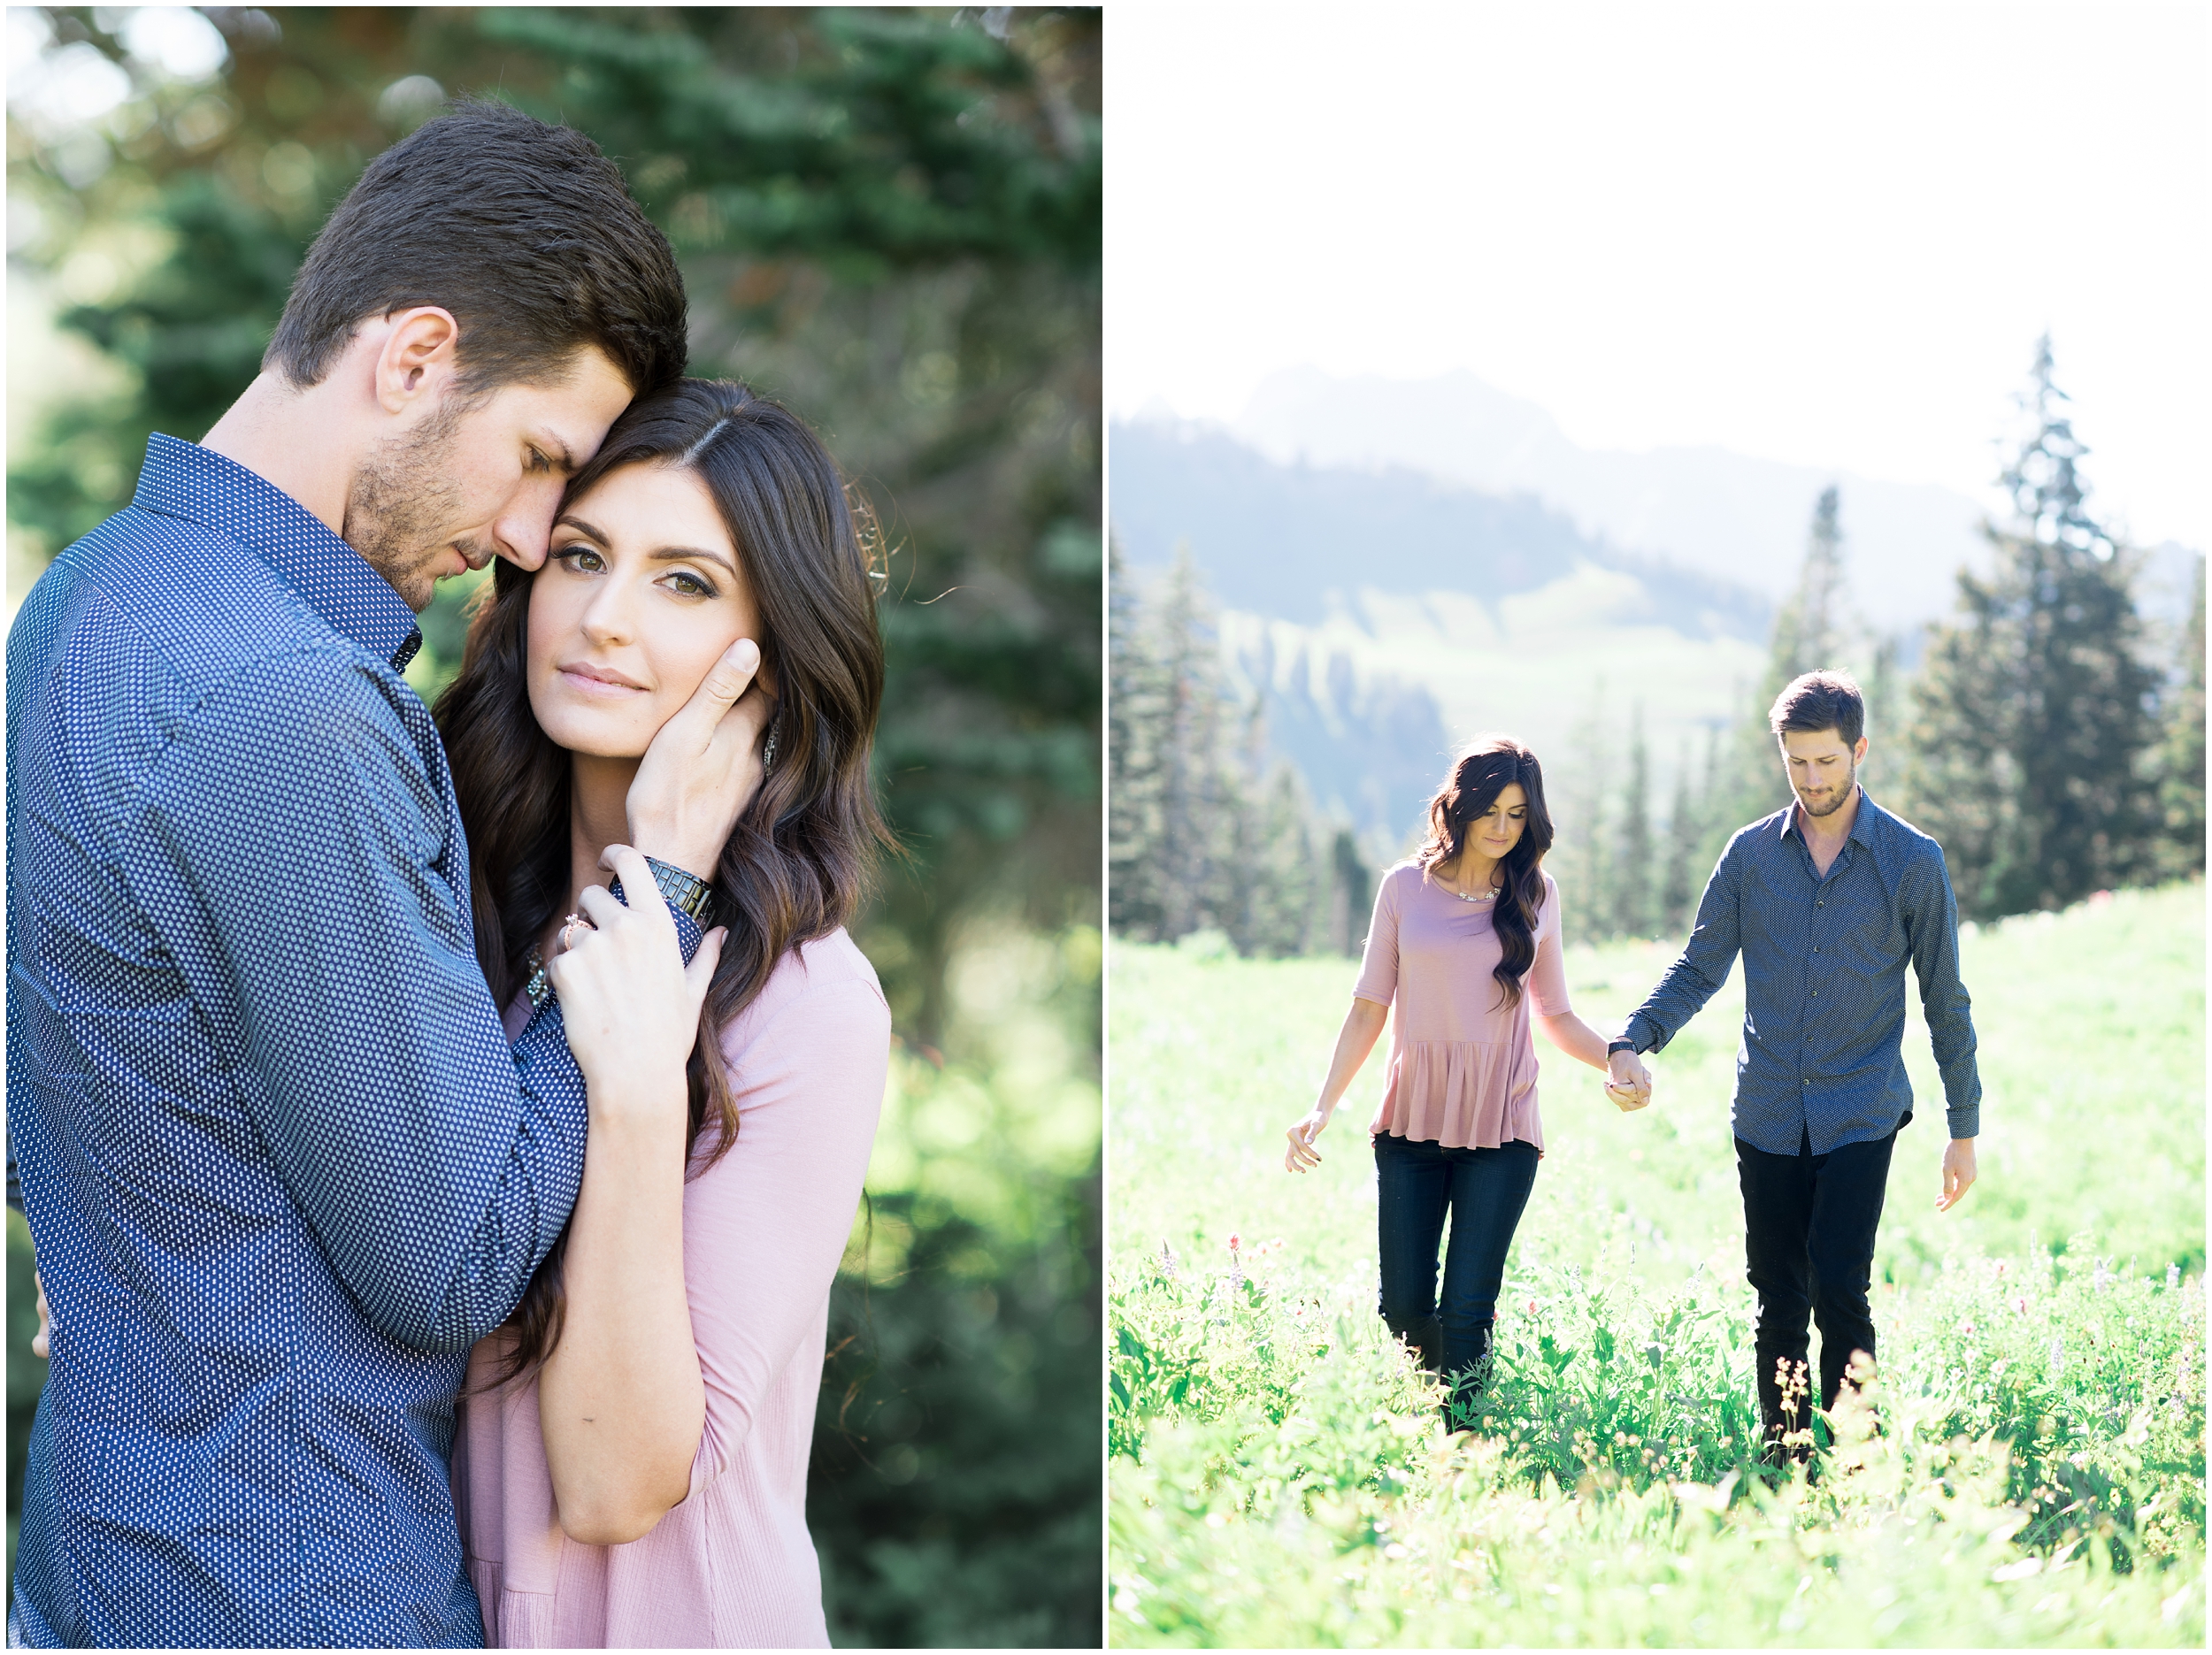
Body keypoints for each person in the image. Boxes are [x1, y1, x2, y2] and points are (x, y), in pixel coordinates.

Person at [5, 103, 768, 1648]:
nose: (527, 536)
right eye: (542, 456)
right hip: (288, 1586)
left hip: (99, 1548)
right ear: (414, 357)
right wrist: (658, 888)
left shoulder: (86, 600)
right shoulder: (284, 703)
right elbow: (456, 1253)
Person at [436, 379, 895, 1648]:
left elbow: (613, 1480)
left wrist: (637, 1086)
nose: (604, 616)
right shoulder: (450, 909)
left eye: (683, 582)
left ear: (772, 655)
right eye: (582, 556)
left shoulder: (805, 1002)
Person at [1607, 670, 1981, 1466]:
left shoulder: (1912, 861)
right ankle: (1786, 1463)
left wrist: (1963, 1128)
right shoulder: (1750, 856)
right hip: (1769, 1112)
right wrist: (1632, 1039)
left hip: (1861, 1110)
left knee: (1841, 1289)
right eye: (1797, 763)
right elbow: (1699, 965)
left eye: (1828, 762)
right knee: (1778, 1300)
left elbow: (1945, 999)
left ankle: (1857, 1462)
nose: (1813, 780)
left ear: (1860, 751)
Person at [1284, 737, 1646, 1423]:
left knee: (1468, 1306)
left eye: (1518, 814)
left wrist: (1619, 1055)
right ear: (1461, 804)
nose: (1503, 828)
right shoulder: (1403, 889)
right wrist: (1322, 1105)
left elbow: (1558, 1014)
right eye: (1491, 809)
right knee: (1405, 1305)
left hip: (1501, 1121)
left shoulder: (1537, 893)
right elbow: (1368, 1007)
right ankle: (1433, 1406)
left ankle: (1461, 1445)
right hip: (1411, 1119)